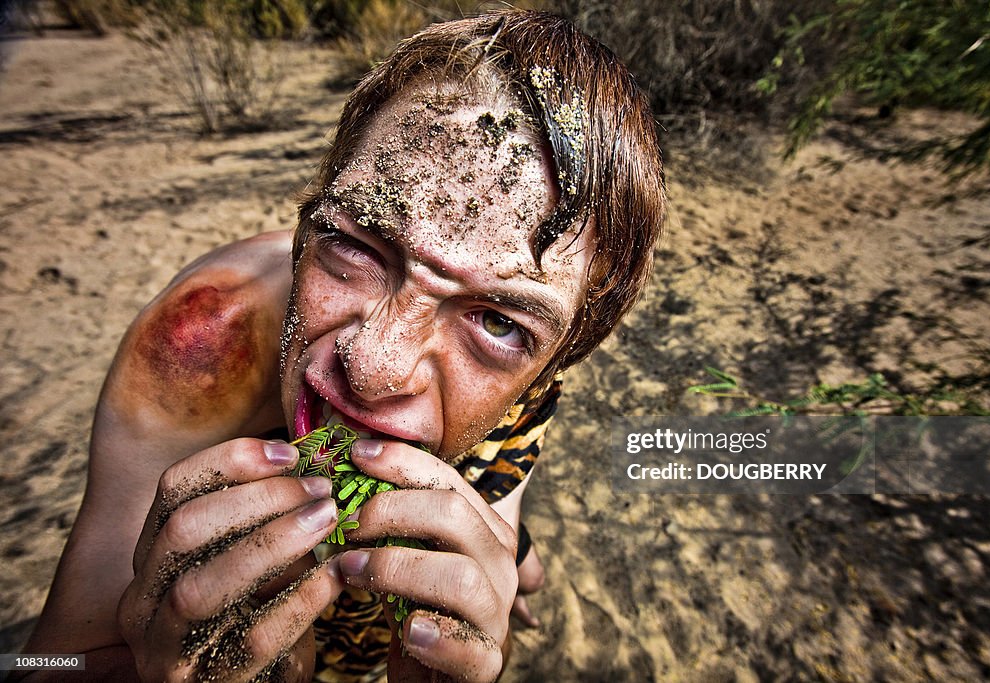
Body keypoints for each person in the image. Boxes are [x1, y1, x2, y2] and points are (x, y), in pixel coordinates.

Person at [23, 9, 664, 682]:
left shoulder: (533, 377)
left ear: (564, 351)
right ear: (307, 223)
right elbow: (38, 661)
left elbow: (496, 488)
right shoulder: (200, 348)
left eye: (498, 321)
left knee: (512, 561)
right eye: (355, 245)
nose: (372, 368)